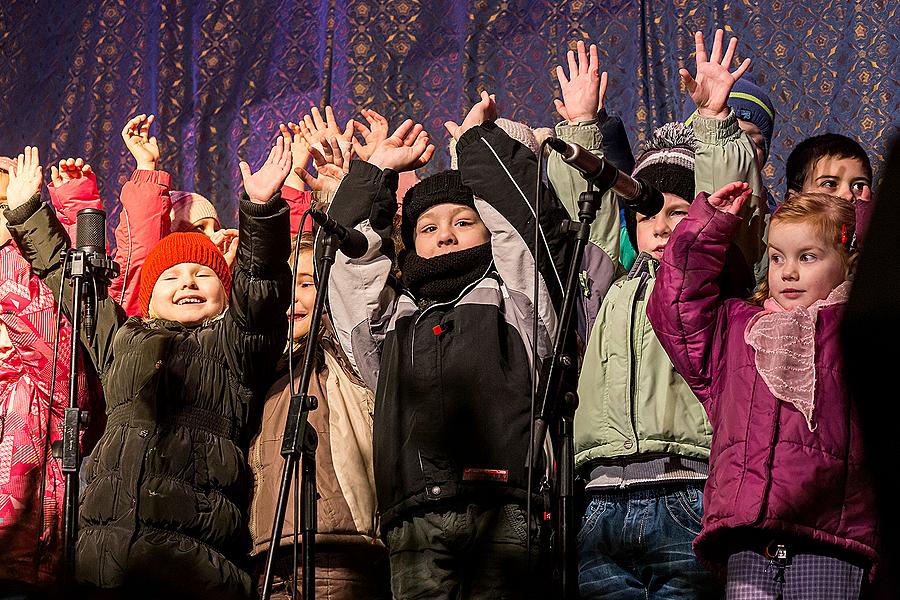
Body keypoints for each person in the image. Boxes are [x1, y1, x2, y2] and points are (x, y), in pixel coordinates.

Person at [2, 141, 292, 599]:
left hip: (194, 562)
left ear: (224, 291)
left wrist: (260, 212)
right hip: (103, 558)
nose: (188, 283)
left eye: (203, 274)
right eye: (170, 277)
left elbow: (261, 287)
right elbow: (70, 283)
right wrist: (25, 212)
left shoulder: (233, 346)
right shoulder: (122, 338)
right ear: (150, 295)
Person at [325, 97, 568, 598]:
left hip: (506, 507)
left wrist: (478, 146)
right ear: (410, 242)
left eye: (463, 221)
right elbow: (350, 273)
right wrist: (374, 174)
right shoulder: (392, 318)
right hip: (413, 518)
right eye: (428, 228)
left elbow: (522, 232)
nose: (446, 236)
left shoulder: (516, 298)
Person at [647, 183, 878, 599]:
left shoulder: (852, 326)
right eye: (776, 258)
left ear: (849, 262)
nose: (787, 272)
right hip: (748, 536)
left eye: (807, 257)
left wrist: (871, 226)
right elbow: (676, 308)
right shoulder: (739, 327)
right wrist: (706, 231)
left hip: (828, 535)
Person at [548, 40, 719, 599]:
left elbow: (726, 207)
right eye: (651, 211)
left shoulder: (705, 283)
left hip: (685, 489)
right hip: (600, 499)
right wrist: (580, 127)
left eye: (681, 212)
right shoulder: (608, 282)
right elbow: (583, 216)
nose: (664, 224)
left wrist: (713, 123)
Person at [247, 232, 389, 599]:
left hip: (339, 549)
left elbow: (363, 284)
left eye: (307, 283)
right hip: (267, 552)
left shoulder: (347, 350)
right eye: (286, 284)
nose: (293, 295)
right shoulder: (263, 367)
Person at [0, 155, 100, 596]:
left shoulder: (37, 355)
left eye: (9, 207)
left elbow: (64, 374)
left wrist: (13, 249)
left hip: (23, 556)